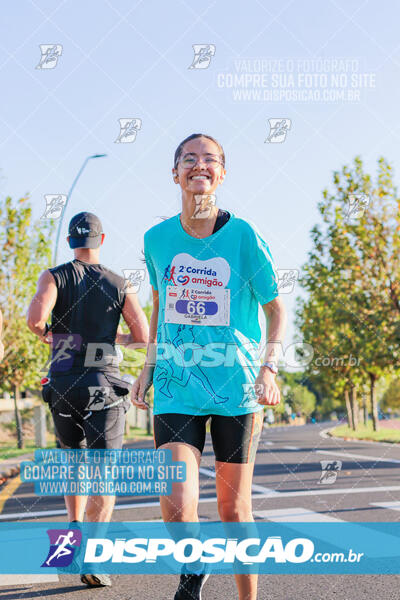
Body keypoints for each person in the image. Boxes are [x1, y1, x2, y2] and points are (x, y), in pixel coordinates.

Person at [131, 134, 287, 600]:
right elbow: (160, 303)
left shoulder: (243, 236)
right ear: (175, 171)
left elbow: (276, 309)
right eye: (189, 158)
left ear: (222, 173)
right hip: (177, 385)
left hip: (236, 386)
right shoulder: (156, 239)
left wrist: (270, 367)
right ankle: (193, 573)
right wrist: (148, 366)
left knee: (233, 510)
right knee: (176, 504)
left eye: (211, 159)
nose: (200, 165)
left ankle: (247, 597)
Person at [27, 211, 149, 588]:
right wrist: (116, 340)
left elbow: (34, 319)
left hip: (63, 382)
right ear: (102, 239)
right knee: (103, 474)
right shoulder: (119, 282)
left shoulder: (54, 275)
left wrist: (52, 336)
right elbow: (142, 334)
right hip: (104, 385)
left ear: (70, 242)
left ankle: (68, 544)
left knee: (73, 466)